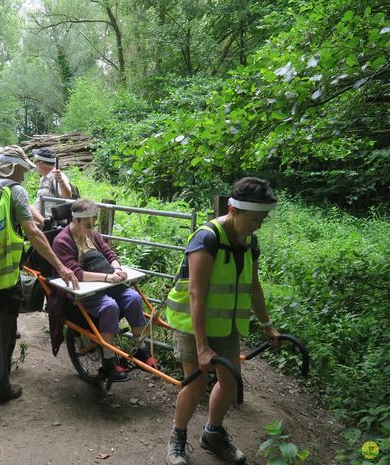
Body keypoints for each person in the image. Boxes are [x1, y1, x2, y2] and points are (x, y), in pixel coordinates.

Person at [0, 145, 78, 404]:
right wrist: (61, 267)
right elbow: (32, 232)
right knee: (4, 334)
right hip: (4, 277)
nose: (25, 175)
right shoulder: (14, 191)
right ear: (14, 167)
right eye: (23, 170)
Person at [164, 177, 280, 465]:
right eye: (254, 218)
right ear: (234, 210)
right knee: (196, 383)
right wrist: (202, 346)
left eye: (263, 218)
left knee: (230, 383)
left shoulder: (250, 241)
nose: (259, 225)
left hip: (225, 324)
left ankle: (213, 433)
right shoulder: (207, 238)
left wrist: (267, 325)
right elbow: (196, 294)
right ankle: (177, 437)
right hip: (194, 325)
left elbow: (254, 286)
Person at [51, 198, 158, 381]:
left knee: (133, 297)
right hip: (81, 290)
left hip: (105, 282)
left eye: (93, 224)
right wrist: (107, 277)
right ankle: (109, 362)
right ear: (75, 220)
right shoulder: (62, 241)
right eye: (87, 224)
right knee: (109, 306)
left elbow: (110, 254)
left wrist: (117, 269)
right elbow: (75, 273)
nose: (91, 228)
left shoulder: (93, 234)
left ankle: (139, 348)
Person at [31, 147, 74, 226]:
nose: (35, 165)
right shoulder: (44, 178)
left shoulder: (56, 176)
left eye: (35, 162)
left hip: (53, 225)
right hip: (41, 224)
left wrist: (61, 181)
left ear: (41, 163)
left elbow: (68, 197)